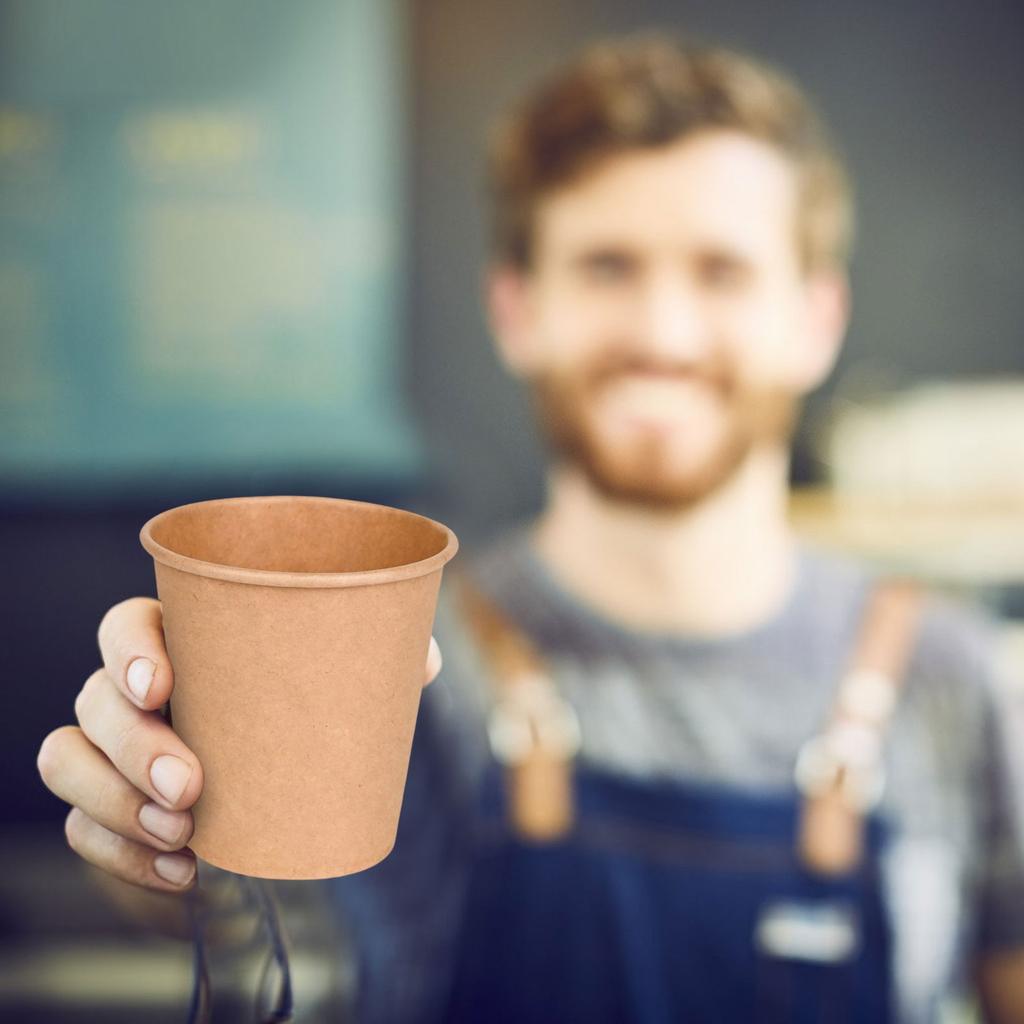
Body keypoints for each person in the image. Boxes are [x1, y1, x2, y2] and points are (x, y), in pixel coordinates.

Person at [36, 33, 1024, 1024]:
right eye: (606, 267)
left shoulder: (956, 679)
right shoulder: (412, 666)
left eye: (721, 272)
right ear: (516, 310)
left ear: (816, 319)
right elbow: (259, 932)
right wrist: (158, 839)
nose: (663, 334)